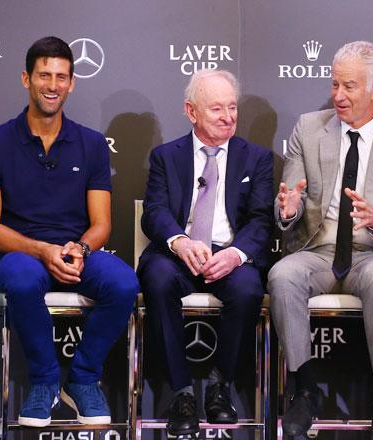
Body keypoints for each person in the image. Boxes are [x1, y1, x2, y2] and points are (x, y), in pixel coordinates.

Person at [0, 36, 139, 427]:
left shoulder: (92, 144)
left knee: (124, 283)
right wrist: (42, 251)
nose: (52, 85)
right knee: (24, 280)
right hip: (20, 256)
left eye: (61, 77)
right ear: (25, 79)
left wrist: (79, 248)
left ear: (72, 83)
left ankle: (81, 379)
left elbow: (102, 225)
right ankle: (44, 382)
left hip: (76, 253)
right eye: (44, 75)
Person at [268, 41, 373, 440]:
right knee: (283, 276)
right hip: (316, 251)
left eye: (349, 86)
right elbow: (293, 196)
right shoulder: (308, 127)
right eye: (335, 83)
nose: (338, 95)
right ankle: (303, 390)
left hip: (371, 253)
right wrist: (287, 209)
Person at [137, 69, 273, 436]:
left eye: (232, 108)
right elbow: (155, 212)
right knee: (158, 277)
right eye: (217, 109)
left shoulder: (256, 158)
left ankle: (220, 385)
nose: (228, 117)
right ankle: (181, 393)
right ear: (191, 111)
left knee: (247, 289)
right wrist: (180, 243)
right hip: (179, 253)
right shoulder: (166, 157)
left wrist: (235, 253)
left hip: (229, 253)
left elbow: (261, 220)